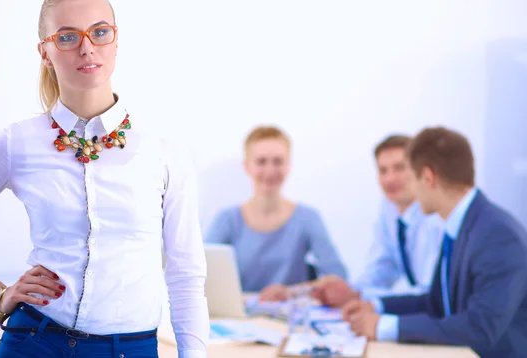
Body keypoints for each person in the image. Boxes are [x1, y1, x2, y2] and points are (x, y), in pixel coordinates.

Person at [0, 1, 209, 357]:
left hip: (130, 348)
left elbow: (185, 276)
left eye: (100, 32)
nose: (87, 47)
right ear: (45, 51)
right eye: (67, 37)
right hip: (34, 340)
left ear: (116, 41)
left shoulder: (163, 150)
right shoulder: (18, 142)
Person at [343, 127, 527, 358]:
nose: (409, 189)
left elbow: (480, 328)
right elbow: (436, 303)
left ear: (428, 178)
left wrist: (384, 327)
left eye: (409, 177)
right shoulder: (462, 226)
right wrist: (378, 307)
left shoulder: (498, 236)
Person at [206, 125, 347, 302]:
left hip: (290, 319)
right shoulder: (227, 220)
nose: (270, 170)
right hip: (239, 320)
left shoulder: (308, 218)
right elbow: (200, 276)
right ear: (247, 166)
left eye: (278, 161)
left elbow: (338, 278)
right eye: (261, 162)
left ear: (289, 165)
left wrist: (292, 292)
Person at [312, 135, 443, 307]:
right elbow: (383, 266)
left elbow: (429, 293)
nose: (390, 179)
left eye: (399, 168)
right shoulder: (389, 207)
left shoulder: (435, 218)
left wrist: (366, 299)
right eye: (383, 170)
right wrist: (352, 291)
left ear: (421, 171)